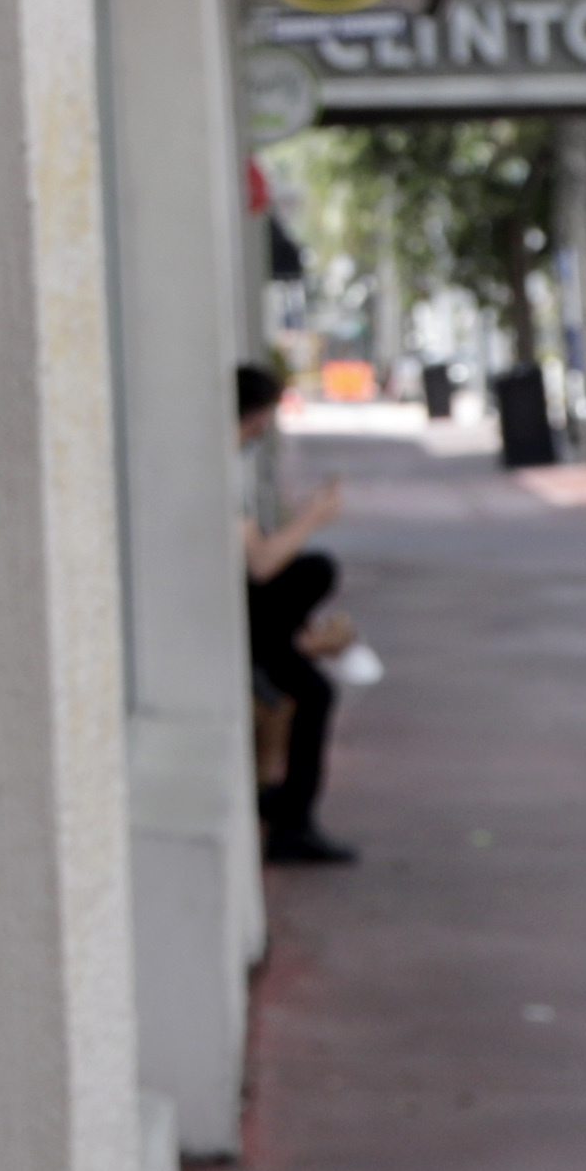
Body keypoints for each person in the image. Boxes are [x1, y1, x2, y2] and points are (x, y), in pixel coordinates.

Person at [238, 359, 359, 866]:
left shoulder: (232, 465)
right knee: (317, 569)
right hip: (246, 623)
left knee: (315, 690)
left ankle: (290, 812)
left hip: (256, 622)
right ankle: (291, 819)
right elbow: (263, 565)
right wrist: (312, 517)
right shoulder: (219, 470)